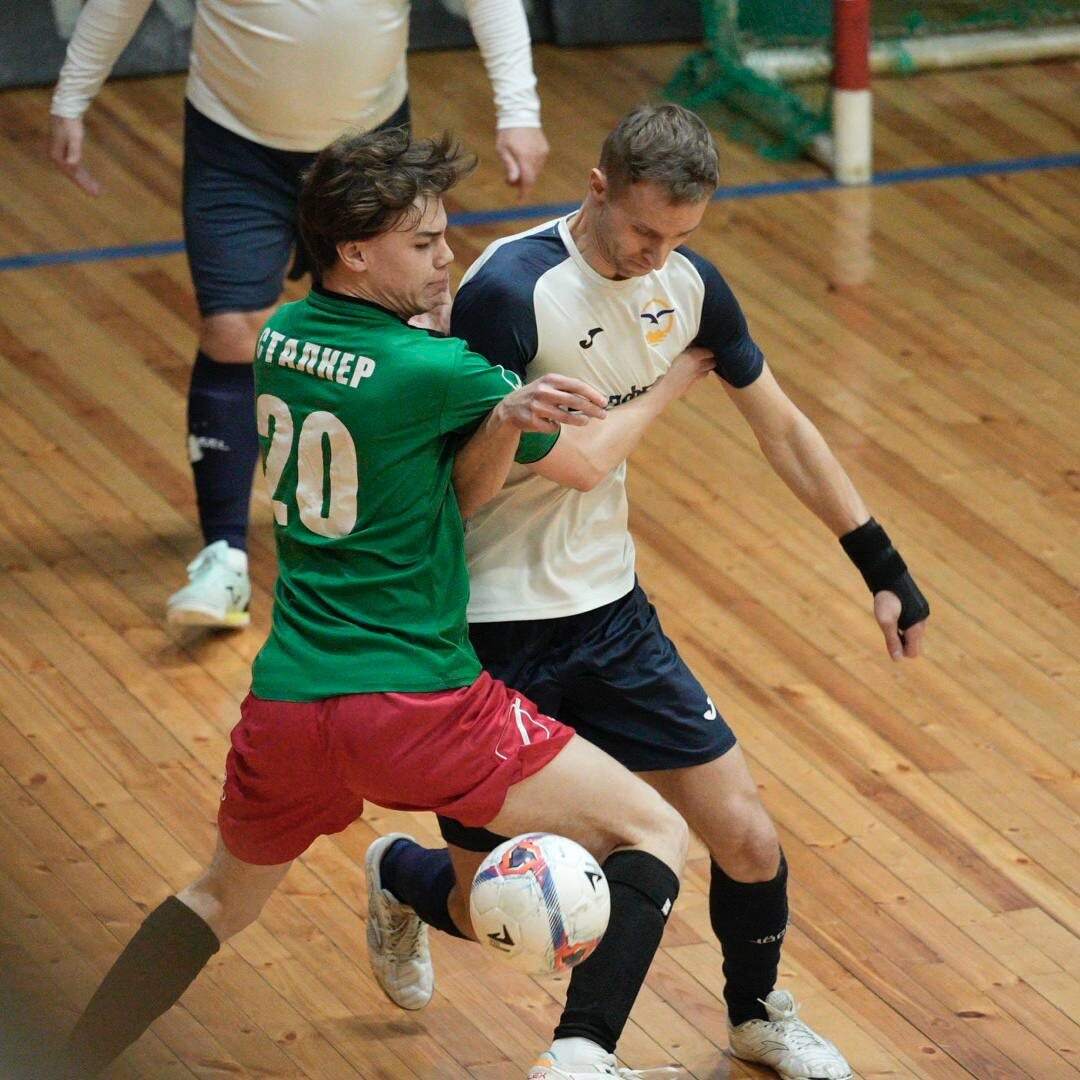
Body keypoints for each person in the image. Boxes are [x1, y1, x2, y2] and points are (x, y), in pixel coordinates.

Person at [48, 126, 692, 1080]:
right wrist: (676, 374)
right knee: (654, 830)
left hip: (289, 705)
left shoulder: (279, 338)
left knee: (218, 900)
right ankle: (579, 1056)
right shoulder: (441, 373)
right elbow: (548, 473)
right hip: (418, 702)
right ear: (354, 250)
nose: (448, 260)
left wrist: (488, 414)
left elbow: (431, 478)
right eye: (424, 244)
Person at [365, 104, 931, 1080]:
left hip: (610, 617)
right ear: (597, 187)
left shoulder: (687, 286)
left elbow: (784, 429)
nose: (655, 256)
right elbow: (549, 468)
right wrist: (669, 386)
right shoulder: (510, 291)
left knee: (745, 837)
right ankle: (398, 876)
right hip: (491, 627)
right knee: (488, 900)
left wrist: (882, 564)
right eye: (642, 231)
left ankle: (745, 1018)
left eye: (680, 236)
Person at [48, 0, 550, 629]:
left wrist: (520, 109)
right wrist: (71, 96)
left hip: (368, 144)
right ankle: (224, 555)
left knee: (394, 333)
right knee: (232, 329)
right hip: (234, 145)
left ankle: (397, 537)